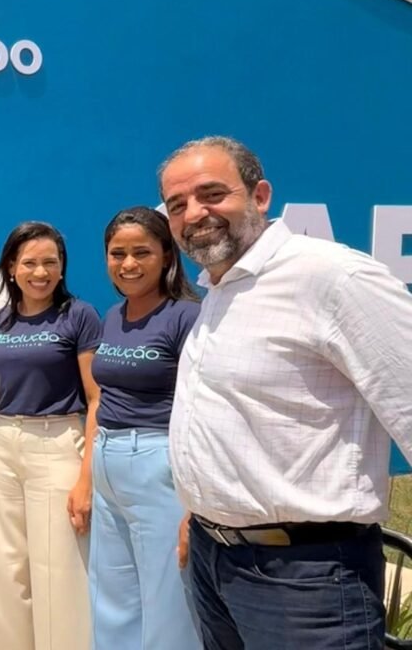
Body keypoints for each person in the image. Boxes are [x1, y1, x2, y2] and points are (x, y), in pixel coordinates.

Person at [159, 136, 412, 649]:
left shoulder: (334, 277)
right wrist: (203, 514)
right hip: (215, 560)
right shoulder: (219, 288)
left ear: (260, 195)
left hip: (307, 579)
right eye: (178, 205)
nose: (195, 213)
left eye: (212, 194)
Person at [0, 221, 102, 650]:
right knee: (7, 566)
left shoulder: (79, 316)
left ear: (62, 268)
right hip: (4, 445)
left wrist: (86, 478)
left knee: (58, 569)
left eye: (50, 263)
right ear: (12, 268)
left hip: (56, 444)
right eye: (30, 263)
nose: (40, 272)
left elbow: (96, 400)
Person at [87, 206, 200, 649]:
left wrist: (194, 501)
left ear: (167, 256)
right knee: (112, 597)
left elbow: (201, 411)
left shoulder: (186, 317)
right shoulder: (114, 315)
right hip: (107, 460)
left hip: (159, 464)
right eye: (117, 254)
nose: (128, 264)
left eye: (141, 253)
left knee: (168, 597)